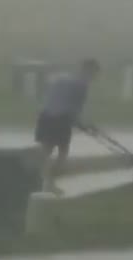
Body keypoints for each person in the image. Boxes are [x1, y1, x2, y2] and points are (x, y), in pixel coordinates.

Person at [34, 58, 101, 194]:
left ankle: (43, 182)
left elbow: (52, 99)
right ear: (89, 71)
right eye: (94, 74)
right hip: (60, 119)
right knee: (62, 154)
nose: (94, 77)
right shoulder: (82, 85)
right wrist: (87, 126)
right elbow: (75, 111)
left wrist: (81, 123)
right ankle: (50, 183)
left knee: (45, 152)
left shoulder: (62, 78)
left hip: (45, 116)